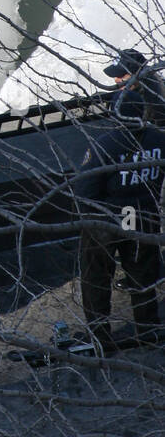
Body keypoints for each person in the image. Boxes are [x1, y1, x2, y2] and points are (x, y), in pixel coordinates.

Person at [72, 100, 165, 351]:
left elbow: (84, 189)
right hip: (144, 216)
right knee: (143, 274)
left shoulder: (105, 145)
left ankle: (99, 337)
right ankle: (149, 329)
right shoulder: (159, 140)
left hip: (106, 221)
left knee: (96, 279)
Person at [103, 48, 165, 126]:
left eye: (121, 75)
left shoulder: (147, 96)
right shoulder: (153, 79)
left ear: (137, 74)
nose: (116, 80)